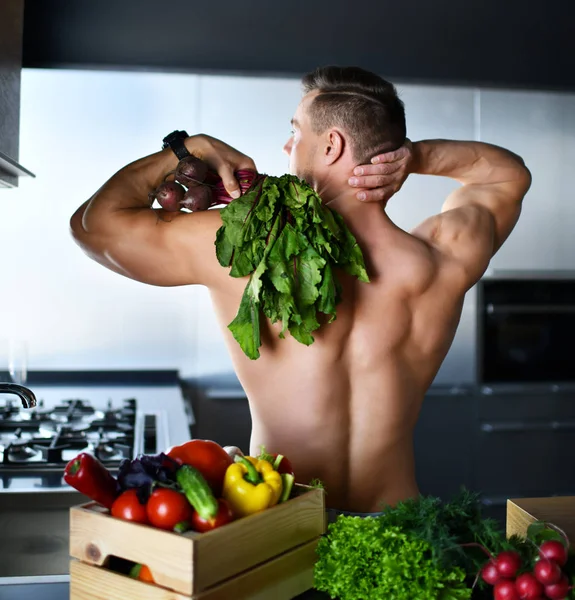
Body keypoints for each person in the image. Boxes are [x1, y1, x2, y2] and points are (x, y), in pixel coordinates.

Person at [70, 66, 531, 518]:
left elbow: (93, 226)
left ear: (331, 145)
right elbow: (508, 176)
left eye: (296, 132)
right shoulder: (439, 260)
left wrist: (187, 149)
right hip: (396, 522)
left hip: (283, 521)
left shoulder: (242, 250)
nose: (287, 146)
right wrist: (413, 156)